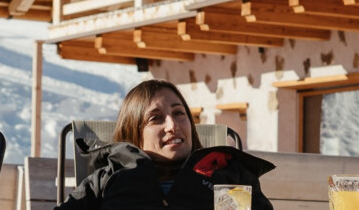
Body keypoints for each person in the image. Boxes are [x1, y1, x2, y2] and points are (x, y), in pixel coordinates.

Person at [58, 79, 275, 210]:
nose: (172, 125)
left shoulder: (227, 176)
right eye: (156, 118)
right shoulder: (109, 179)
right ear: (134, 132)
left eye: (179, 113)